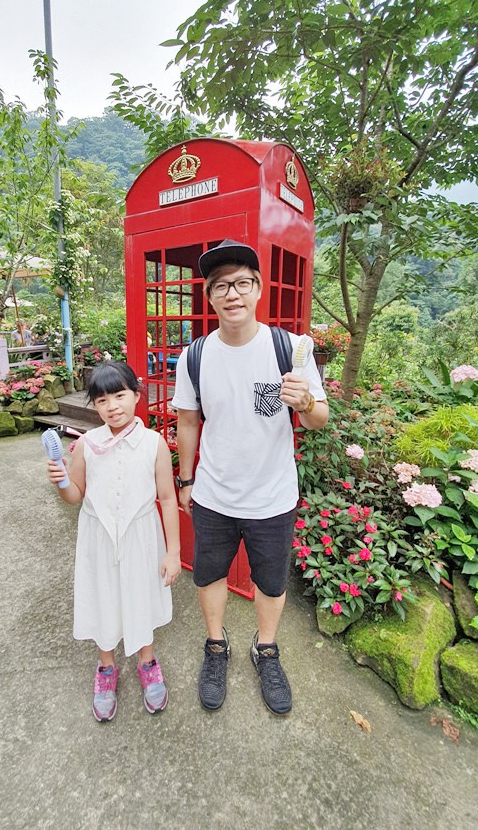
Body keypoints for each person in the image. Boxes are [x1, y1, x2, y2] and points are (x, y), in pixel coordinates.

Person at [172, 239, 329, 716]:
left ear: (258, 289)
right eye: (221, 286)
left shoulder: (290, 349)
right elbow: (186, 420)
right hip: (215, 495)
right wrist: (184, 480)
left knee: (271, 583)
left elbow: (319, 418)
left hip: (273, 497)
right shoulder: (194, 355)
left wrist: (304, 403)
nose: (232, 294)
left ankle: (266, 650)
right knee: (210, 573)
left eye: (242, 283)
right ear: (210, 297)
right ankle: (216, 647)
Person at [47, 361, 181, 722]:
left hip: (141, 536)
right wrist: (61, 481)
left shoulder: (154, 444)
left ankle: (147, 661)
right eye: (102, 400)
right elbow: (75, 496)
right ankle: (106, 668)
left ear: (137, 396)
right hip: (98, 536)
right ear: (96, 406)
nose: (113, 406)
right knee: (103, 597)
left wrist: (173, 552)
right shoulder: (86, 445)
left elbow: (167, 499)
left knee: (140, 597)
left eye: (120, 395)